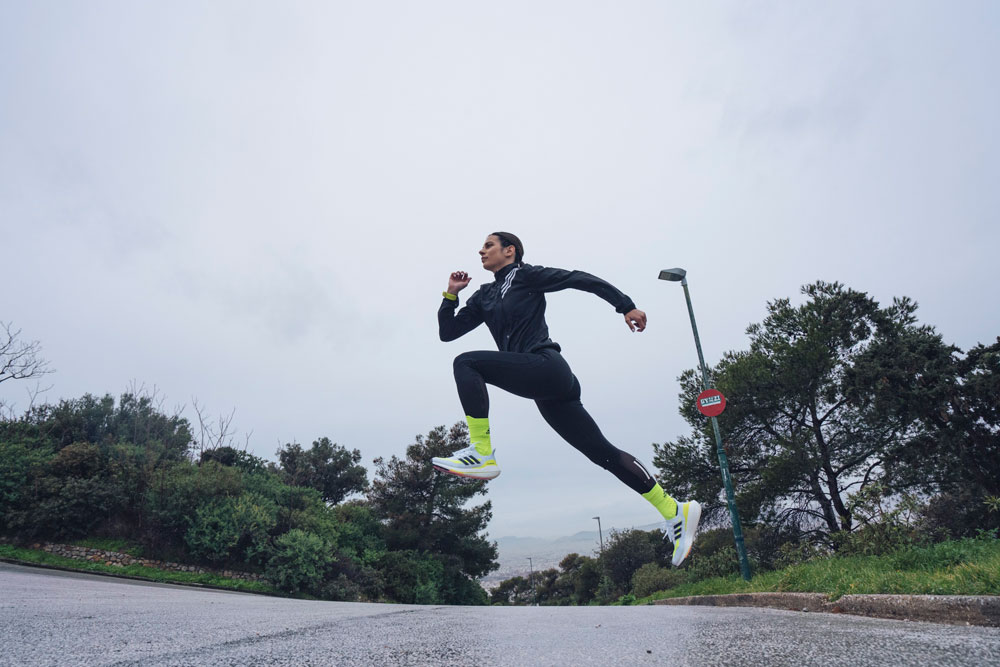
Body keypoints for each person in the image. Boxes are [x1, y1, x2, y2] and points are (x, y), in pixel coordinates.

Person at [433, 232, 701, 566]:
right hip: (545, 390)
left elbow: (578, 279)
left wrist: (626, 306)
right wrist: (451, 295)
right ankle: (674, 510)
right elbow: (448, 333)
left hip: (547, 368)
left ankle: (482, 453)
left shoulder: (526, 275)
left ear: (510, 251)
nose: (481, 251)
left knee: (467, 362)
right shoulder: (484, 296)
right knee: (602, 453)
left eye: (488, 245)